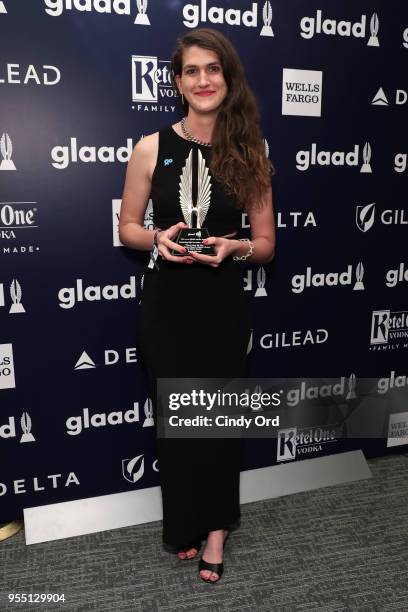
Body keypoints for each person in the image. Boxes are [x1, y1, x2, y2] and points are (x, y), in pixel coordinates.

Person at [119, 28, 275, 583]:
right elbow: (128, 229)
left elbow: (266, 245)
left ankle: (216, 530)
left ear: (227, 79)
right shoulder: (150, 147)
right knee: (179, 425)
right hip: (167, 308)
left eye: (214, 69)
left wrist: (236, 248)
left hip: (222, 309)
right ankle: (185, 522)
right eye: (192, 71)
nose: (203, 80)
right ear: (178, 81)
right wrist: (157, 238)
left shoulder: (249, 150)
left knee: (217, 424)